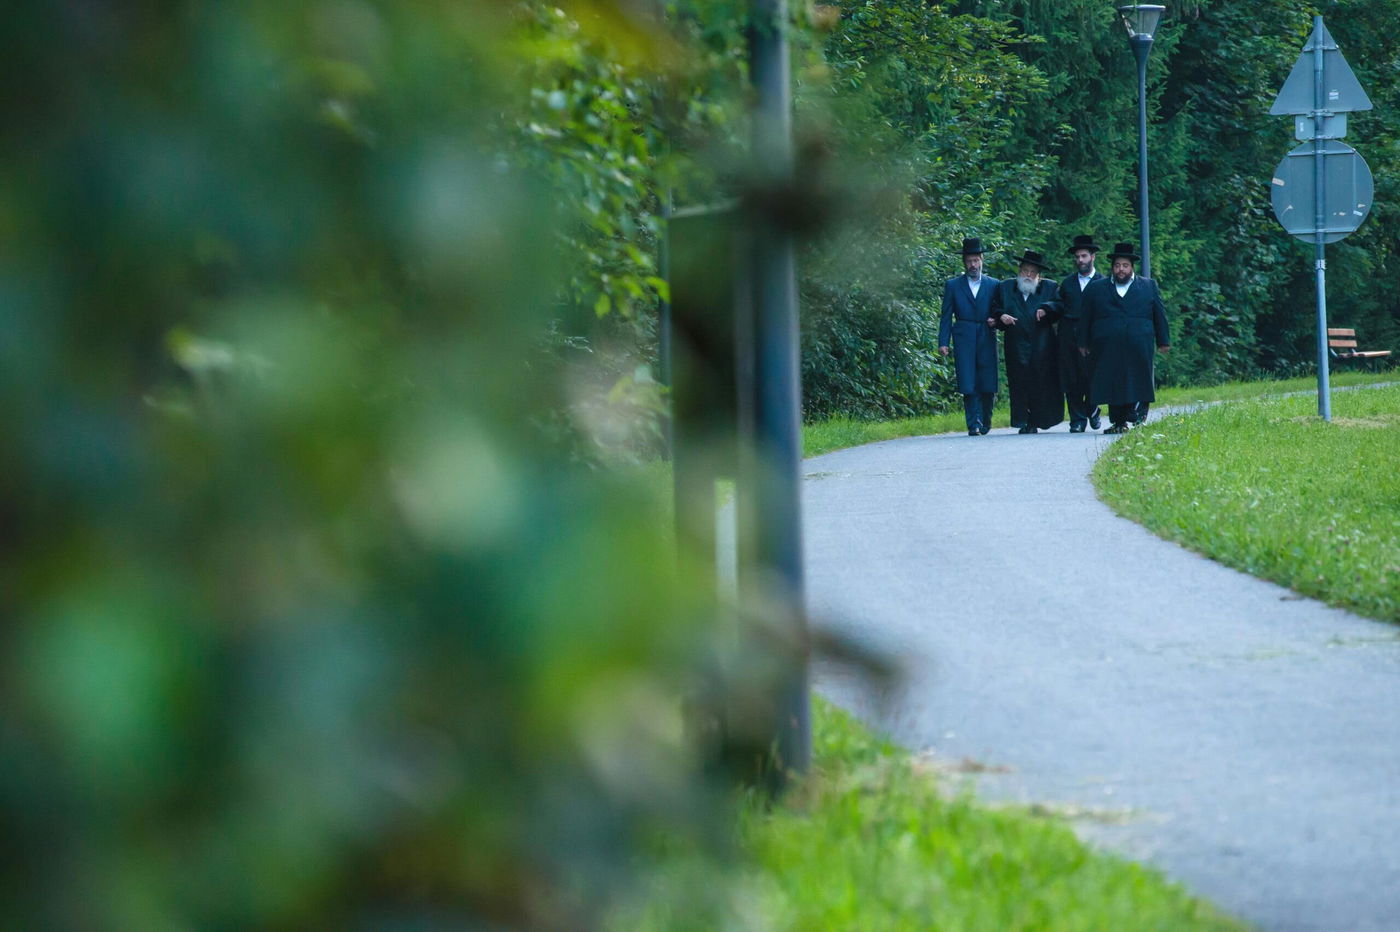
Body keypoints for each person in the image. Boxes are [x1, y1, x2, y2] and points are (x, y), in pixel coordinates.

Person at [1077, 243, 1170, 434]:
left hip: (1139, 342)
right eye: (1117, 265)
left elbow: (1159, 314)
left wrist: (1163, 340)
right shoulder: (1097, 288)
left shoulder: (1148, 286)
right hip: (1107, 345)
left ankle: (1138, 415)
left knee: (1139, 378)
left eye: (1125, 265)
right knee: (1114, 381)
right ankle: (1119, 422)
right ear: (1112, 267)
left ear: (1132, 267)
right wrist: (1083, 342)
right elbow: (1086, 317)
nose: (1121, 269)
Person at [990, 249, 1064, 434]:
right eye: (1025, 271)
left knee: (1042, 383)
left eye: (1032, 272)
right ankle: (1023, 421)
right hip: (1016, 345)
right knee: (1019, 382)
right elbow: (994, 309)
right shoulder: (1006, 287)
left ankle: (1039, 420)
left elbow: (1060, 306)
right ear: (1019, 270)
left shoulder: (1049, 287)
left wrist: (1046, 309)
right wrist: (1001, 316)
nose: (1028, 276)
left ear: (1039, 275)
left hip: (1042, 345)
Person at [938, 237, 1000, 436]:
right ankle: (973, 424)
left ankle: (986, 421)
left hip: (986, 334)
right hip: (963, 335)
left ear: (982, 260)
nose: (973, 265)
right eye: (969, 261)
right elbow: (946, 315)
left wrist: (996, 321)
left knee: (987, 380)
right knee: (967, 379)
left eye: (975, 260)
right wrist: (943, 342)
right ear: (964, 263)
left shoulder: (994, 284)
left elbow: (1000, 310)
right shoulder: (953, 285)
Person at [1057, 235, 1105, 433]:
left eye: (1084, 256)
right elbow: (1059, 305)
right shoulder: (1068, 283)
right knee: (1072, 378)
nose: (1080, 260)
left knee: (1092, 377)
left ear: (1092, 257)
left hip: (1094, 338)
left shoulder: (1103, 282)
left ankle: (1093, 409)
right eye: (1077, 257)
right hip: (1070, 336)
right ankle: (1077, 420)